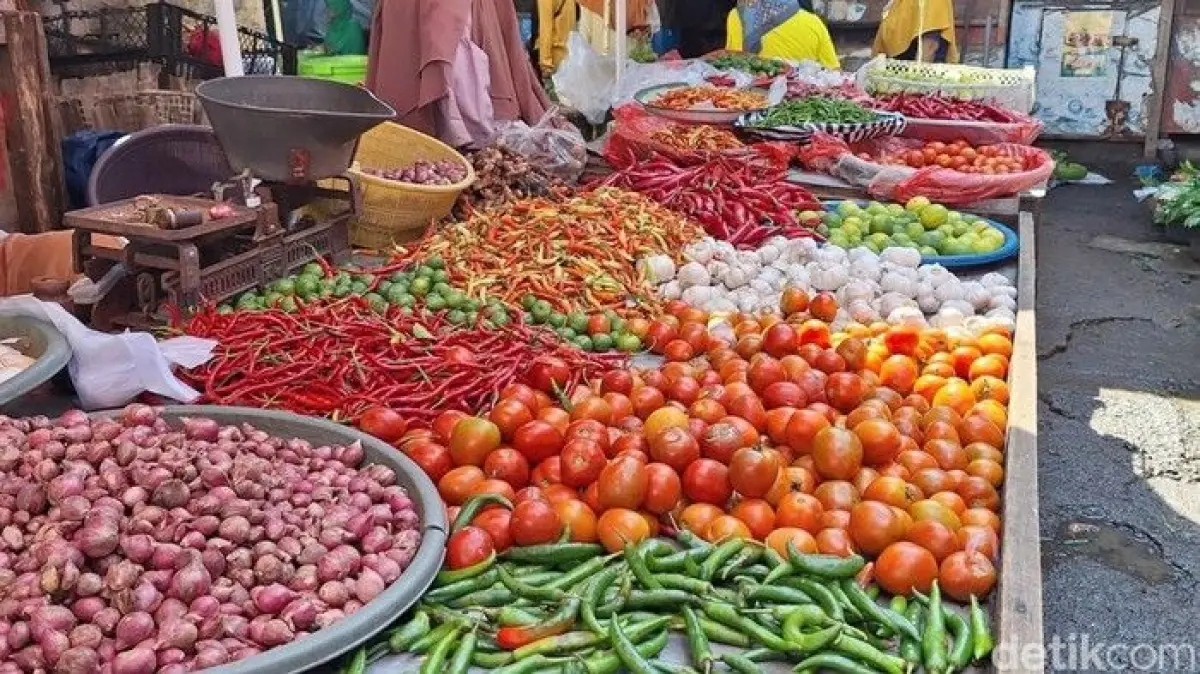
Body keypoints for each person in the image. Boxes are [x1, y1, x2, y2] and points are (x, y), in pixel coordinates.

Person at [725, 0, 839, 70]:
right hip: (801, 101)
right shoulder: (814, 22)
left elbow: (733, 63)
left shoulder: (736, 16)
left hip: (753, 100)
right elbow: (834, 71)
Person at [873, 0, 959, 63]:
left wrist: (916, 84)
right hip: (893, 70)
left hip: (916, 75)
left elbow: (929, 46)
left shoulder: (931, 2)